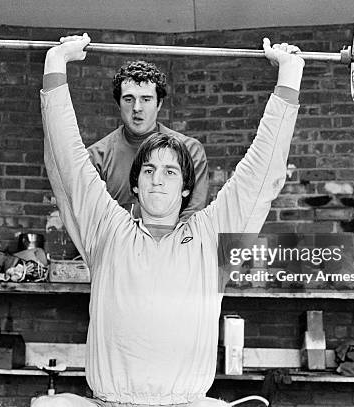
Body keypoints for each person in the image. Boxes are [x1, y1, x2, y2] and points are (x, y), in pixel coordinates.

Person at [37, 33, 304, 407]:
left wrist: (289, 75)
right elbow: (67, 163)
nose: (158, 178)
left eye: (170, 172)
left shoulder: (211, 239)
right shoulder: (108, 231)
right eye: (147, 171)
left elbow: (261, 176)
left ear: (185, 188)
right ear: (135, 185)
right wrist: (56, 63)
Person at [87, 60, 209, 221]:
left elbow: (193, 215)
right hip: (116, 244)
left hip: (174, 244)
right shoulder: (97, 157)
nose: (137, 107)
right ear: (118, 103)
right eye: (129, 99)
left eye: (146, 99)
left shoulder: (190, 150)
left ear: (159, 104)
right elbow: (91, 219)